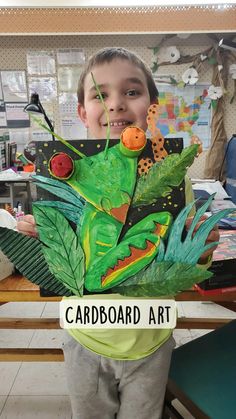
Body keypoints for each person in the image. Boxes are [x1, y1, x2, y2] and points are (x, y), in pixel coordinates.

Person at [17, 47, 219, 419]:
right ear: (82, 112)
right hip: (85, 340)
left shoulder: (175, 180)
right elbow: (51, 260)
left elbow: (183, 256)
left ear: (151, 106)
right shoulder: (63, 173)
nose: (115, 105)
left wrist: (201, 247)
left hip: (151, 342)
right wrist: (33, 239)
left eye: (131, 92)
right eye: (100, 94)